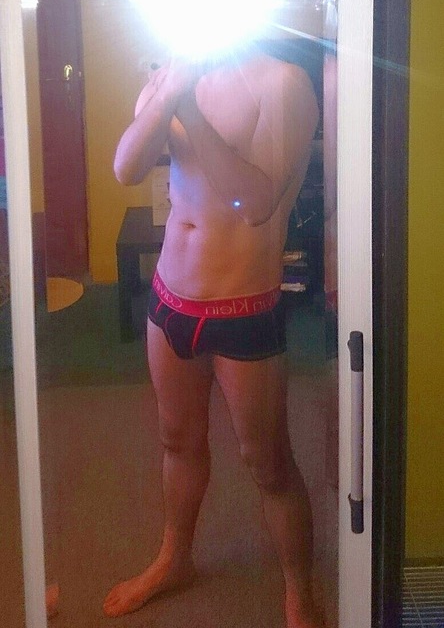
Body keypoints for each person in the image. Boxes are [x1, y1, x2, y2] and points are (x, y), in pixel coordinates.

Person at [103, 41, 321, 628]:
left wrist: (189, 111)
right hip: (169, 299)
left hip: (244, 306)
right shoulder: (172, 73)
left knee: (268, 462)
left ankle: (300, 594)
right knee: (177, 441)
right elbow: (126, 168)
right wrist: (168, 94)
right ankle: (175, 558)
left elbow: (254, 202)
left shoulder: (281, 83)